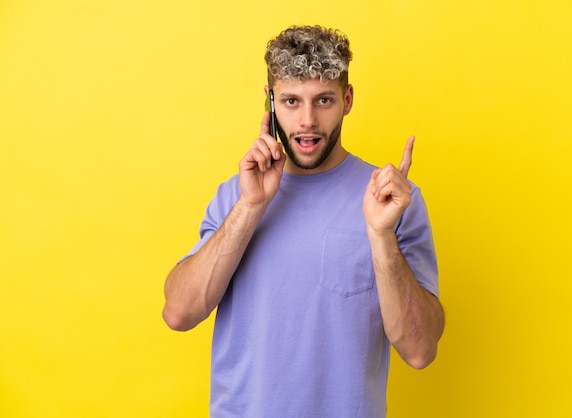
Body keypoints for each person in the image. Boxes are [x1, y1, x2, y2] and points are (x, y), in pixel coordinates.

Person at [162, 25, 444, 417]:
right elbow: (178, 313)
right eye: (291, 101)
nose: (307, 120)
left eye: (323, 100)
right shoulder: (236, 195)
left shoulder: (391, 200)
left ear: (347, 100)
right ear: (270, 102)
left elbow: (420, 349)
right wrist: (250, 206)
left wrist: (380, 234)